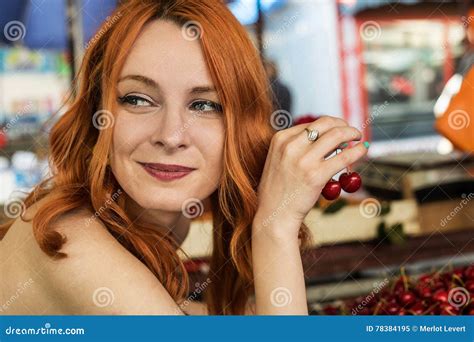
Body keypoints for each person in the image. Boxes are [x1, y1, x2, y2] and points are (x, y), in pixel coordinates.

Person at [0, 0, 368, 315]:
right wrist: (276, 228)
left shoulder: (159, 225)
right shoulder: (67, 241)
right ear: (98, 117)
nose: (170, 136)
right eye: (137, 99)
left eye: (205, 104)